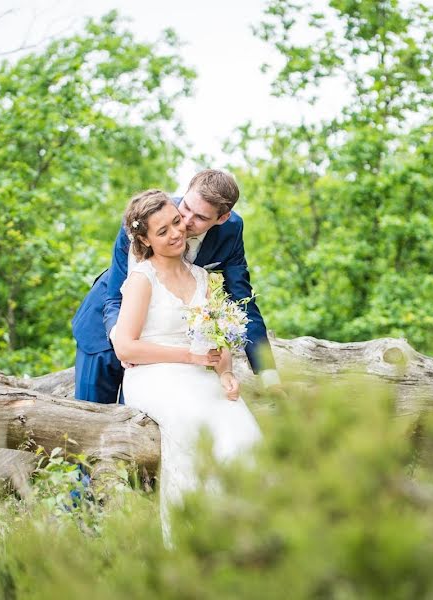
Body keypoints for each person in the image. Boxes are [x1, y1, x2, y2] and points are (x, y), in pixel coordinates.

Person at [112, 189, 262, 543]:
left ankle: (246, 533)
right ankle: (195, 538)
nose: (176, 233)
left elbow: (215, 344)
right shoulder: (142, 278)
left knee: (244, 431)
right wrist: (189, 358)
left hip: (196, 374)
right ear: (145, 239)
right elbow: (124, 345)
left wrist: (225, 373)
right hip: (152, 376)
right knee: (197, 427)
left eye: (177, 222)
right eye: (162, 231)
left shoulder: (202, 278)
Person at [71, 169, 278, 404]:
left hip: (164, 346)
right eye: (186, 208)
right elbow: (115, 297)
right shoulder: (143, 219)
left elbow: (243, 302)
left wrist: (269, 376)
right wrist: (122, 343)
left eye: (200, 217)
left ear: (222, 218)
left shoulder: (231, 230)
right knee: (91, 416)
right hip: (105, 328)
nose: (186, 223)